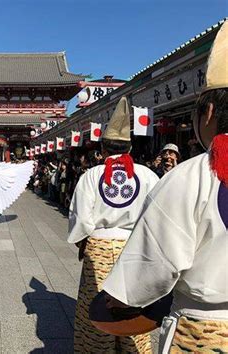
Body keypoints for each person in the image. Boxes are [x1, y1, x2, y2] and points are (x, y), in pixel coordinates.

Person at [103, 21, 228, 353]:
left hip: (205, 332)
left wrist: (121, 296)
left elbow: (155, 263)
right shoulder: (154, 175)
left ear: (209, 111)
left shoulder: (192, 176)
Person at [67, 96, 159, 353]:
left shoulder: (91, 176)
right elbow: (157, 217)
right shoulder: (148, 176)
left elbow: (81, 219)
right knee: (133, 306)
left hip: (99, 247)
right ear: (129, 148)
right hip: (135, 247)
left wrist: (82, 242)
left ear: (103, 149)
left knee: (97, 307)